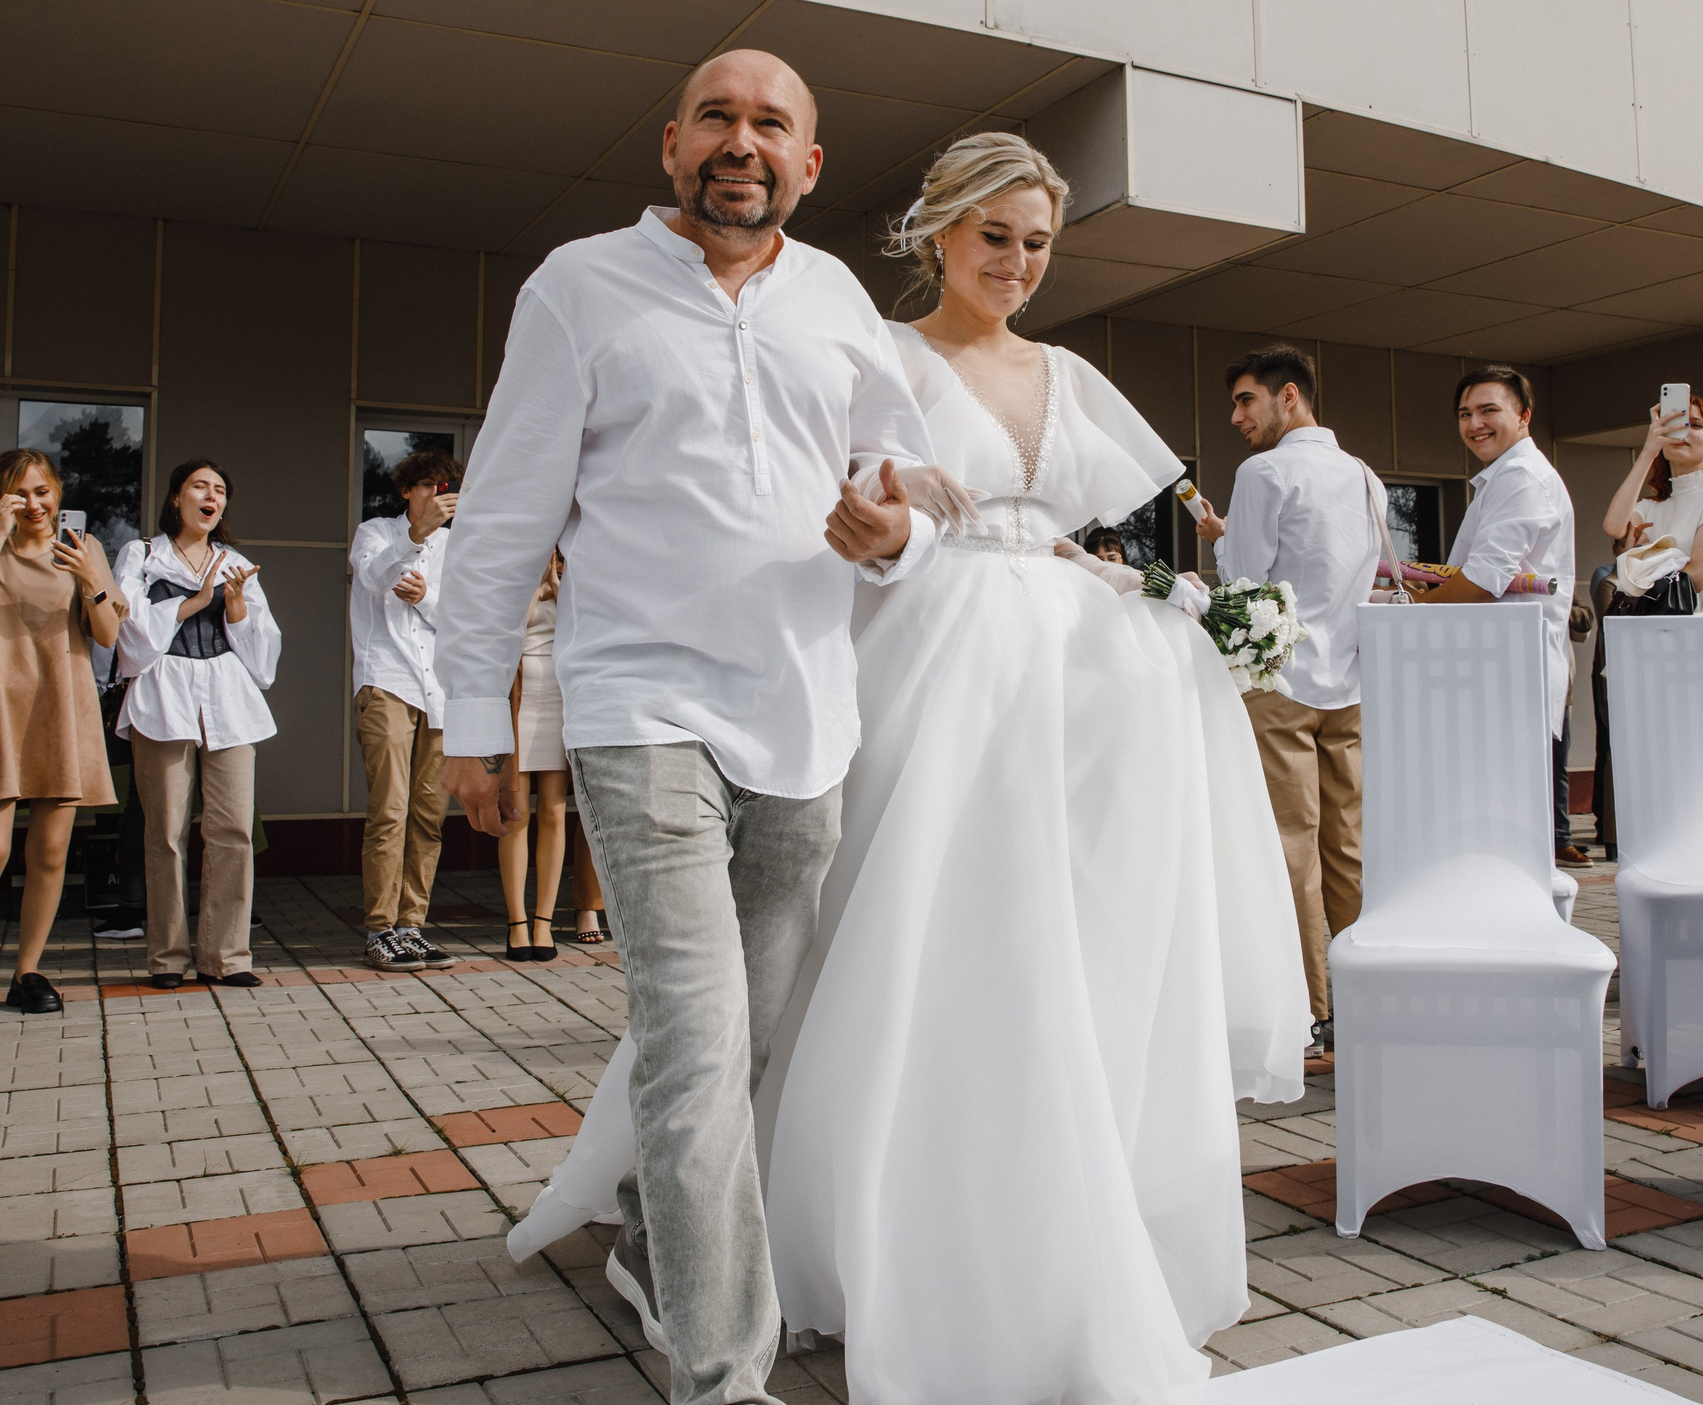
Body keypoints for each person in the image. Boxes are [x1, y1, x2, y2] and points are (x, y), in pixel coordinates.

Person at [498, 129, 1308, 1403]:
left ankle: (1030, 1214)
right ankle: (792, 1223)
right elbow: (823, 504)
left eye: (1037, 242)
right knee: (882, 934)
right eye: (995, 236)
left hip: (1073, 687)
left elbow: (1071, 527)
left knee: (1052, 949)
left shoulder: (1066, 372)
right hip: (924, 659)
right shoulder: (873, 349)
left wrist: (1127, 583)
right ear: (939, 231)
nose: (1017, 262)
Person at [437, 50, 942, 1402]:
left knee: (748, 1038)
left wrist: (895, 537)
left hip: (804, 715)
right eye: (716, 117)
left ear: (808, 164)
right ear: (671, 144)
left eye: (771, 124)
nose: (741, 141)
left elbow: (901, 488)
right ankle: (723, 1371)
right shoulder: (579, 285)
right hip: (639, 701)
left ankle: (654, 1244)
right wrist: (472, 718)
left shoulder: (836, 301)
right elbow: (502, 518)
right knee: (698, 1038)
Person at [1193, 344, 1381, 1051]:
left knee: (1291, 849)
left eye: (1247, 400)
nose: (1236, 416)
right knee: (1349, 848)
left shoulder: (1263, 471)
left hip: (1281, 681)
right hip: (1350, 685)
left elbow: (1245, 583)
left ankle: (1314, 1010)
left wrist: (1220, 542)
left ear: (1289, 396)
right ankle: (1366, 996)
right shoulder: (1364, 475)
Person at [0, 448, 125, 1029]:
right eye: (20, 493)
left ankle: (27, 972)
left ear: (58, 492)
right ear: (0, 498)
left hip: (63, 709)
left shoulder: (84, 550)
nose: (34, 504)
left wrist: (90, 579)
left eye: (43, 491)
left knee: (51, 852)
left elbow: (108, 634)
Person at [112, 460, 282, 987]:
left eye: (220, 490)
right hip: (162, 695)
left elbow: (263, 660)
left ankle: (226, 956)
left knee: (233, 830)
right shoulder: (142, 555)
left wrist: (235, 607)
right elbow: (127, 635)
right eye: (200, 486)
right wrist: (193, 604)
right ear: (176, 497)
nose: (212, 496)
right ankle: (167, 957)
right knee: (165, 833)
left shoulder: (236, 562)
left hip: (228, 699)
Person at [1415, 366, 1579, 860]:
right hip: (1498, 671)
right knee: (1500, 829)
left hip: (1509, 674)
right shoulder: (1503, 477)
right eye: (1465, 414)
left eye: (1489, 411)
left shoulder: (1520, 476)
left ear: (1524, 415)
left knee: (1509, 832)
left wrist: (1410, 611)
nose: (1474, 424)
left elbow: (1484, 580)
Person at [350, 449, 460, 974]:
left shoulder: (456, 546)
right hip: (387, 681)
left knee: (429, 814)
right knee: (389, 810)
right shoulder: (375, 531)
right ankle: (380, 930)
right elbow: (374, 577)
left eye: (446, 489)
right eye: (429, 486)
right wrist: (415, 536)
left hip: (438, 689)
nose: (439, 497)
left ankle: (412, 927)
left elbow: (464, 615)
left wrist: (427, 599)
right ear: (407, 491)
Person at [501, 552, 603, 959]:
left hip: (558, 700)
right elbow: (506, 633)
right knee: (516, 815)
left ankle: (543, 923)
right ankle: (516, 923)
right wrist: (535, 588)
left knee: (554, 812)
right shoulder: (515, 576)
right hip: (520, 700)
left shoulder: (571, 582)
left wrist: (559, 588)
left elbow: (585, 631)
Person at [1599, 395, 1703, 613]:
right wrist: (1649, 450)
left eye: (1695, 425)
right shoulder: (1653, 505)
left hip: (1687, 625)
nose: (1682, 431)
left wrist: (1646, 560)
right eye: (1675, 425)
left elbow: (1698, 576)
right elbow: (1613, 527)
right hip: (1643, 623)